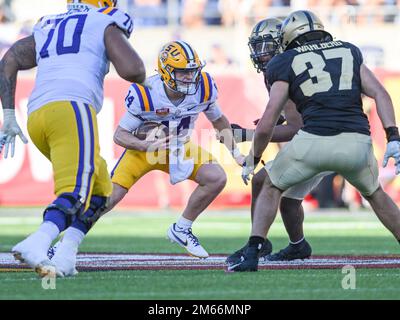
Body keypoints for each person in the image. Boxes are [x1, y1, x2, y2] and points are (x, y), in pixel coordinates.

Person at [229, 10, 400, 272]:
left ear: (286, 38)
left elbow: (269, 124)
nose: (262, 54)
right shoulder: (348, 50)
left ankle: (254, 249)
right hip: (357, 141)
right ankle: (297, 245)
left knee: (270, 185)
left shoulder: (285, 62)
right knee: (375, 193)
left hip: (314, 141)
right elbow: (380, 92)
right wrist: (393, 136)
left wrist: (251, 156)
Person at [50, 40, 245, 263]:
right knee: (107, 199)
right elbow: (120, 135)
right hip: (143, 150)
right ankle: (65, 244)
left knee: (216, 178)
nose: (189, 77)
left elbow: (219, 121)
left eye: (192, 71)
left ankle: (182, 228)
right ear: (165, 71)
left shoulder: (205, 87)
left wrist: (236, 154)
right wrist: (146, 146)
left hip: (178, 146)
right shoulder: (146, 92)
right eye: (182, 72)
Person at [0, 0, 146, 278]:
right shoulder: (104, 19)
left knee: (101, 190)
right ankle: (39, 241)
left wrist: (8, 114)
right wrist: (142, 77)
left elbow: (9, 60)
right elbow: (133, 70)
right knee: (77, 193)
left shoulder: (49, 24)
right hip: (72, 108)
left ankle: (66, 255)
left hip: (38, 116)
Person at [224, 18, 332, 265]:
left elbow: (296, 129)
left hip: (321, 140)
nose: (261, 54)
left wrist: (247, 136)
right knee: (288, 200)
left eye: (268, 46)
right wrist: (282, 117)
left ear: (283, 43)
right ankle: (298, 245)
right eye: (258, 47)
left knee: (263, 181)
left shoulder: (285, 68)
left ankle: (258, 242)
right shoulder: (298, 63)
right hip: (333, 136)